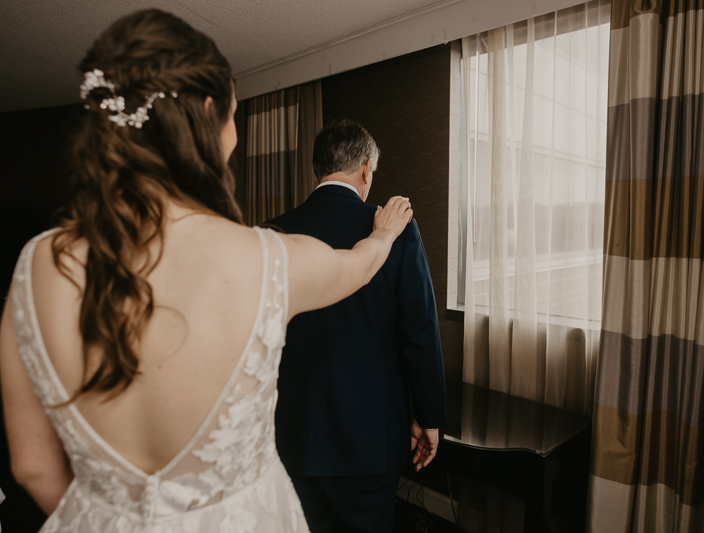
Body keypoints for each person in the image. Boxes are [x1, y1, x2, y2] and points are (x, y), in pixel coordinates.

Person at [0, 10, 413, 532]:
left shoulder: (38, 261)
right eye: (236, 114)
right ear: (213, 115)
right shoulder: (267, 258)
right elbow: (359, 265)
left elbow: (32, 466)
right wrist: (383, 235)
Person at [266, 119, 447, 532]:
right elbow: (419, 332)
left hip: (290, 434)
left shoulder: (270, 233)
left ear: (316, 172)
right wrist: (429, 417)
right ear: (367, 169)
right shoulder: (395, 231)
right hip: (367, 439)